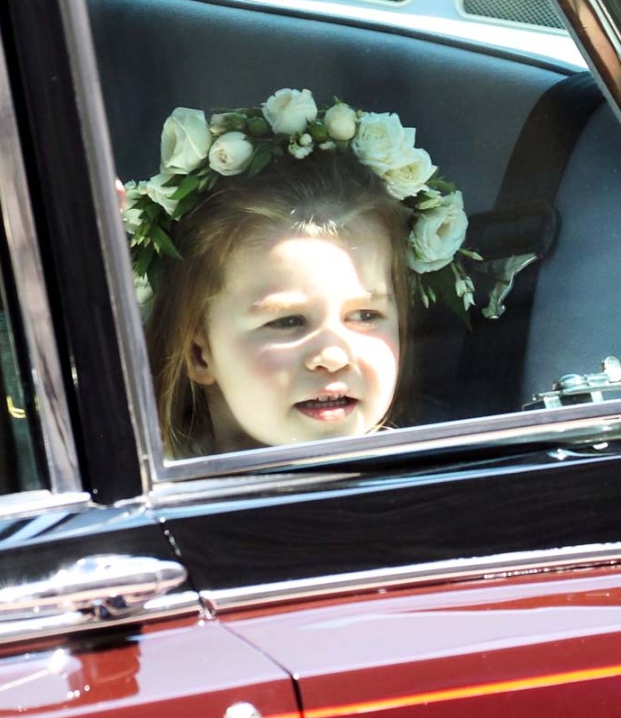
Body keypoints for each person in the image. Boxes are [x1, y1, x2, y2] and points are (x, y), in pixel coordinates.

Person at [123, 88, 473, 457]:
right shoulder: (146, 490)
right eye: (288, 321)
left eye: (366, 315)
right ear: (199, 354)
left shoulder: (444, 463)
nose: (333, 355)